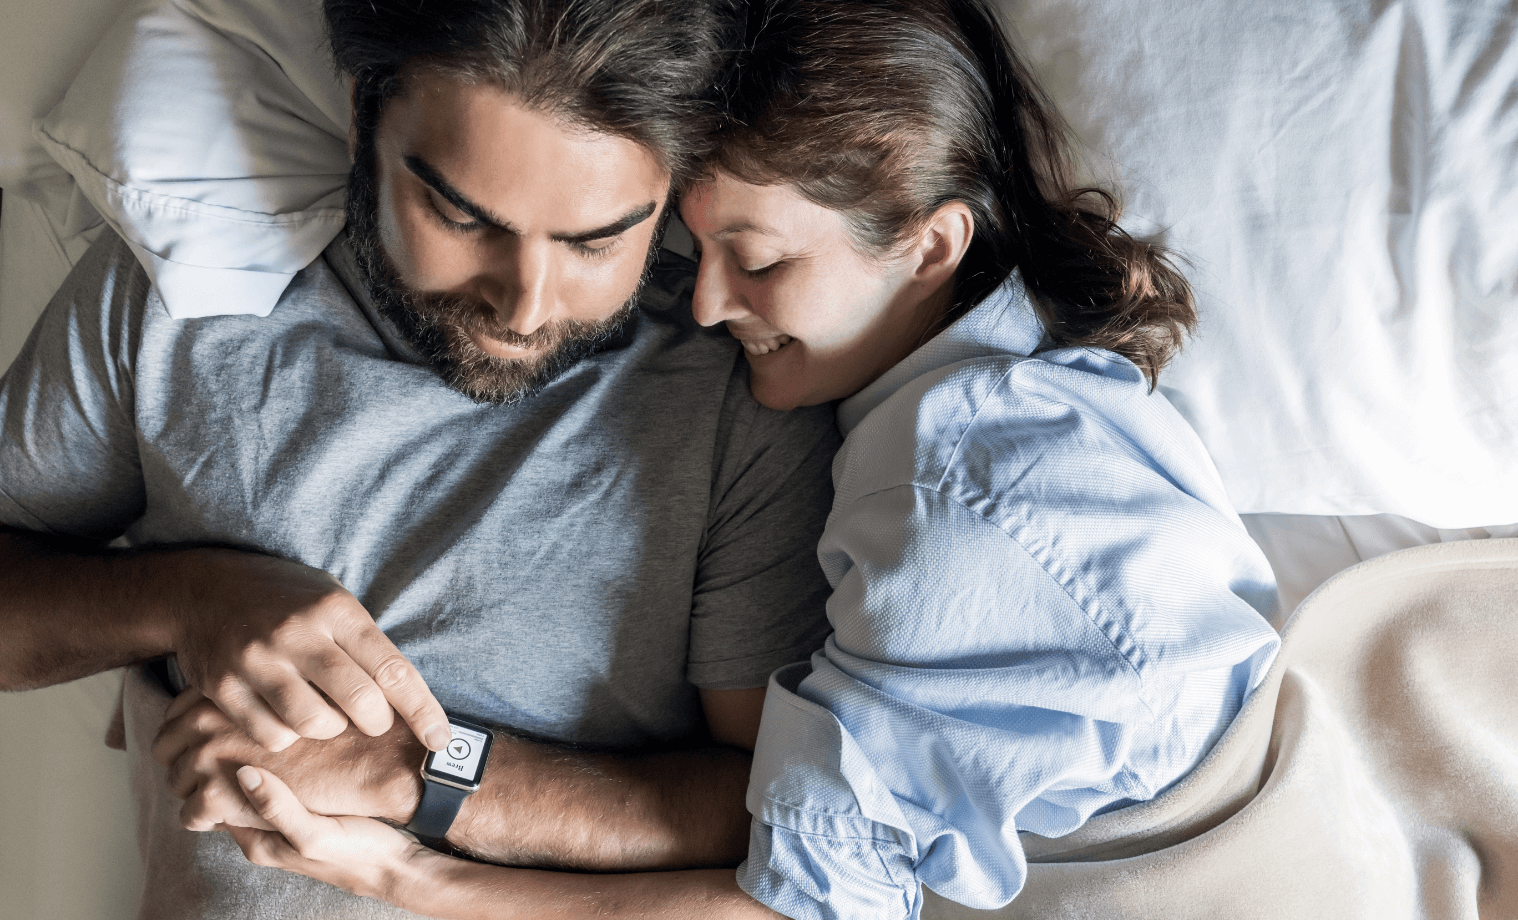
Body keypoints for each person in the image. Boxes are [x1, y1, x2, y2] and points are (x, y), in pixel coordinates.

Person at [210, 0, 1283, 917]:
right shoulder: (1024, 383)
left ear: (930, 244)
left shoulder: (952, 493)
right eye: (696, 246)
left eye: (759, 261)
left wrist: (412, 869)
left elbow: (800, 905)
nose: (710, 303)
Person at [0, 1, 842, 917]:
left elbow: (781, 817)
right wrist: (188, 599)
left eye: (595, 241)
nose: (525, 308)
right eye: (461, 214)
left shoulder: (742, 391)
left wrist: (417, 774)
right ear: (367, 115)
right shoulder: (184, 300)